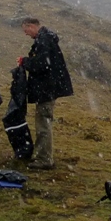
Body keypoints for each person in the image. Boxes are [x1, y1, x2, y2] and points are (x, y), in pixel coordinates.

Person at [19, 17, 73, 170]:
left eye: (26, 30)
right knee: (44, 121)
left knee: (43, 123)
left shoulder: (44, 40)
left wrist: (25, 62)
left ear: (32, 26)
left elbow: (41, 64)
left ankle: (44, 159)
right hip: (48, 88)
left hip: (46, 90)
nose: (26, 34)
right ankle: (43, 155)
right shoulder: (46, 38)